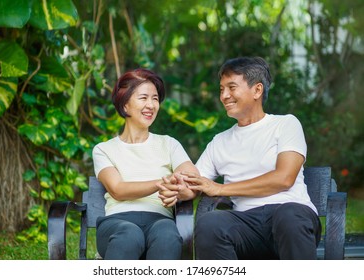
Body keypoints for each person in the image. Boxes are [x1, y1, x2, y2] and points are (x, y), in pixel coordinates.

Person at [158, 57, 321, 260]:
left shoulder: (286, 124)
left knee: (288, 216)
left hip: (292, 217)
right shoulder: (220, 141)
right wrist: (181, 190)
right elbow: (196, 183)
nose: (224, 96)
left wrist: (220, 189)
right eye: (221, 89)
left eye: (232, 87)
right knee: (210, 224)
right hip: (246, 224)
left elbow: (284, 178)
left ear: (257, 90)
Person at [92, 68, 198, 260]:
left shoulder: (169, 144)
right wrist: (161, 183)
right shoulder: (103, 149)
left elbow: (192, 181)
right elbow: (118, 189)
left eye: (155, 99)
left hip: (159, 220)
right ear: (125, 106)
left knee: (167, 235)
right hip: (117, 222)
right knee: (129, 236)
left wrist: (180, 189)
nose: (151, 105)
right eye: (143, 98)